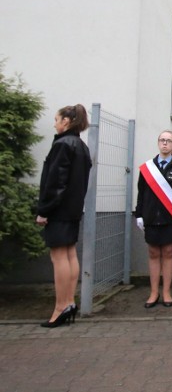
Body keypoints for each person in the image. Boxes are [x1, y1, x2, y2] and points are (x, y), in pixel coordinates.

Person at [35, 104, 92, 328]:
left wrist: (44, 210)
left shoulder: (63, 145)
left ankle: (61, 306)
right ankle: (68, 303)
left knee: (59, 257)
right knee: (69, 254)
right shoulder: (81, 146)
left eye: (57, 119)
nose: (55, 123)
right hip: (73, 209)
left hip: (59, 210)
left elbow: (55, 182)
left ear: (66, 121)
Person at [133, 130, 172, 308]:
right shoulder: (147, 168)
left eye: (169, 141)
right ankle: (154, 292)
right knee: (153, 253)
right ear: (158, 143)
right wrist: (139, 214)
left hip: (170, 219)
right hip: (150, 218)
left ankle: (166, 292)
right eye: (162, 140)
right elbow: (141, 194)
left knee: (168, 254)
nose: (165, 143)